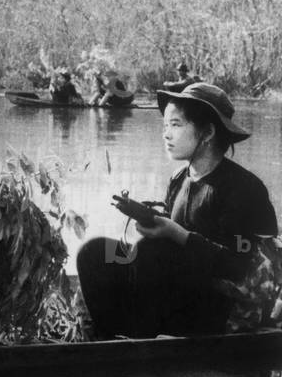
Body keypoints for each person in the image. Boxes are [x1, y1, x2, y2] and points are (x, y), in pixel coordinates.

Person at [76, 83, 277, 339]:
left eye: (176, 125)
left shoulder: (243, 188)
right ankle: (113, 340)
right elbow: (170, 248)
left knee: (152, 252)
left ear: (207, 133)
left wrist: (177, 233)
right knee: (96, 252)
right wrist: (151, 222)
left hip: (223, 304)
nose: (166, 134)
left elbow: (237, 266)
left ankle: (143, 343)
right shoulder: (179, 179)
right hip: (182, 288)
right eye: (165, 126)